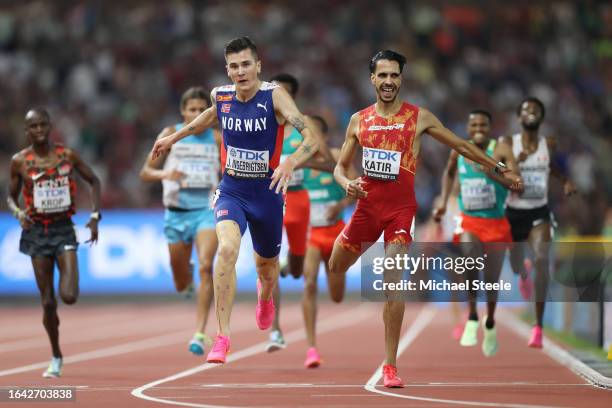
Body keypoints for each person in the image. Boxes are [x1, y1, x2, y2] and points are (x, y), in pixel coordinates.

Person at [327, 50, 521, 388]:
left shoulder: (419, 118)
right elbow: (340, 167)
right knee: (335, 267)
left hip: (400, 212)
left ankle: (390, 366)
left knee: (392, 282)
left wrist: (498, 167)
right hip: (366, 211)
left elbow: (461, 145)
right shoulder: (359, 120)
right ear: (372, 79)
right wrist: (347, 184)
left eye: (394, 76)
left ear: (401, 79)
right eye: (382, 75)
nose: (388, 82)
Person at [150, 36, 324, 364]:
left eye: (246, 64)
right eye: (234, 66)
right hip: (232, 190)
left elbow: (311, 136)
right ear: (227, 70)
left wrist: (289, 162)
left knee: (267, 269)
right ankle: (223, 337)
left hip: (268, 194)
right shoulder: (222, 95)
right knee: (226, 250)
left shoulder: (275, 96)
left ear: (258, 66)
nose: (240, 71)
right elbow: (209, 117)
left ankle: (266, 296)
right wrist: (173, 137)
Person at [7, 108, 101, 378]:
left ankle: (57, 350)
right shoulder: (19, 162)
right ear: (26, 131)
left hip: (63, 229)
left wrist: (95, 216)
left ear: (50, 126)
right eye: (33, 126)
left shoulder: (66, 155)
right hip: (37, 233)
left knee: (69, 296)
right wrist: (18, 213)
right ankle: (56, 355)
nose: (38, 130)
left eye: (42, 125)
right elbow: (10, 197)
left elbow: (94, 180)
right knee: (48, 302)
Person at [433, 109, 522, 357]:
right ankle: (472, 315)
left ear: (490, 128)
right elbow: (449, 172)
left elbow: (517, 182)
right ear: (468, 129)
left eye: (483, 125)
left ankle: (490, 322)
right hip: (470, 221)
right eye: (474, 126)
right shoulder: (459, 149)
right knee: (470, 257)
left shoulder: (501, 149)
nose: (478, 129)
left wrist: (492, 171)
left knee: (491, 279)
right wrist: (443, 200)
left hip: (496, 224)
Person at [140, 87, 220, 356]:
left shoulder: (218, 138)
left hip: (206, 211)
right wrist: (166, 175)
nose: (197, 114)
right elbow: (145, 172)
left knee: (207, 267)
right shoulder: (169, 134)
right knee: (179, 281)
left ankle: (200, 332)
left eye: (201, 110)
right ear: (183, 112)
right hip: (176, 213)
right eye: (192, 110)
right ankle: (184, 274)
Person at [265, 74, 334, 352]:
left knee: (295, 268)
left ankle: (288, 264)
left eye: (286, 94)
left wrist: (297, 163)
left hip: (297, 201)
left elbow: (329, 164)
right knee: (267, 264)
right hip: (268, 199)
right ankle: (275, 330)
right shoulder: (258, 123)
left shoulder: (304, 126)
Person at [502, 97, 576, 348]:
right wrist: (516, 164)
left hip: (539, 212)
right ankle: (523, 274)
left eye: (534, 110)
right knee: (514, 266)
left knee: (542, 259)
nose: (530, 112)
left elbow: (550, 167)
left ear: (541, 117)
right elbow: (495, 169)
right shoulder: (507, 143)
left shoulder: (549, 144)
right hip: (513, 213)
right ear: (519, 117)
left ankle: (538, 326)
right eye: (525, 109)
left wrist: (564, 181)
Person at [301, 115, 355, 367]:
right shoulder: (299, 159)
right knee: (309, 282)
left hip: (336, 233)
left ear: (320, 135)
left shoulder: (335, 154)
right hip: (312, 233)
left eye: (309, 130)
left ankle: (337, 280)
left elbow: (357, 186)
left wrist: (341, 204)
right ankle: (311, 347)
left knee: (336, 296)